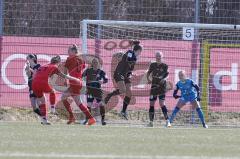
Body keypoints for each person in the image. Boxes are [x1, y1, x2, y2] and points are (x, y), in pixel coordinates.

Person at [32, 55, 80, 125]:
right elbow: (64, 76)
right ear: (58, 62)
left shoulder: (44, 66)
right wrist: (76, 79)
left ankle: (44, 120)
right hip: (42, 83)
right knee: (52, 91)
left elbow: (36, 74)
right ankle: (52, 109)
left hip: (34, 83)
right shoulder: (55, 67)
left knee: (42, 101)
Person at [104, 40, 143, 120]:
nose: (140, 53)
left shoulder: (135, 58)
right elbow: (128, 59)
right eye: (140, 51)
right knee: (122, 90)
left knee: (129, 93)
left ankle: (123, 111)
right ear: (138, 50)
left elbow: (129, 68)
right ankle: (109, 95)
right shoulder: (130, 53)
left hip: (125, 75)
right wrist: (132, 47)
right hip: (119, 73)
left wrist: (132, 74)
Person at [61, 44, 96, 125]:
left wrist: (64, 80)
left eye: (69, 50)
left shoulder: (69, 59)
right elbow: (83, 67)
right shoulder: (81, 59)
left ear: (73, 51)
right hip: (79, 82)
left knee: (63, 97)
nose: (68, 52)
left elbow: (65, 71)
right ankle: (91, 119)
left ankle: (72, 117)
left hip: (73, 82)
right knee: (79, 102)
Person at [146, 52, 171, 127]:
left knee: (162, 103)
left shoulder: (165, 66)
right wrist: (148, 79)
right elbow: (148, 73)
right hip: (154, 86)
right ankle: (151, 122)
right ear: (155, 57)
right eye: (157, 56)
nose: (158, 57)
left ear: (162, 57)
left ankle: (167, 121)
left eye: (159, 56)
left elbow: (167, 75)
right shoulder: (152, 65)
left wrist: (164, 79)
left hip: (161, 87)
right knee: (151, 104)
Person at [82, 58, 108, 125]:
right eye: (94, 62)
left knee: (101, 104)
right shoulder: (88, 71)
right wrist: (83, 80)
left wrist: (102, 81)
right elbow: (81, 76)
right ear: (92, 64)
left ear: (99, 64)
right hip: (90, 90)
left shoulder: (101, 72)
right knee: (89, 105)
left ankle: (103, 120)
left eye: (96, 62)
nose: (95, 64)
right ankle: (87, 119)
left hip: (98, 91)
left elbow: (106, 79)